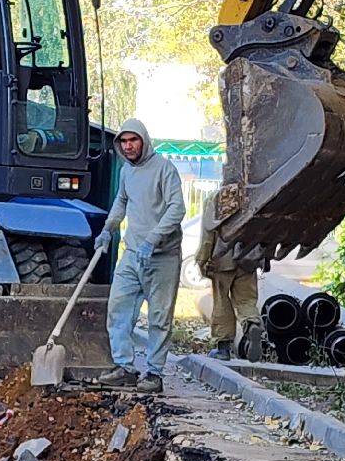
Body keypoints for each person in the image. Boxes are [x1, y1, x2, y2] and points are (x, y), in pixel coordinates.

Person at [95, 118, 184, 393]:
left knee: (159, 317)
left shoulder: (164, 168)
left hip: (162, 257)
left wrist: (153, 239)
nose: (128, 146)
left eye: (133, 140)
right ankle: (125, 367)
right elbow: (121, 201)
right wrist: (109, 228)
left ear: (143, 141)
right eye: (124, 141)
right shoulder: (126, 172)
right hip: (132, 254)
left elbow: (177, 208)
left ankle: (154, 374)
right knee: (118, 309)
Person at [196, 197, 262, 359]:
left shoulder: (217, 199)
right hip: (248, 257)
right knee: (246, 300)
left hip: (222, 259)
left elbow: (208, 232)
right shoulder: (253, 195)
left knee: (221, 303)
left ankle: (223, 349)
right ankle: (252, 324)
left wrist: (202, 260)